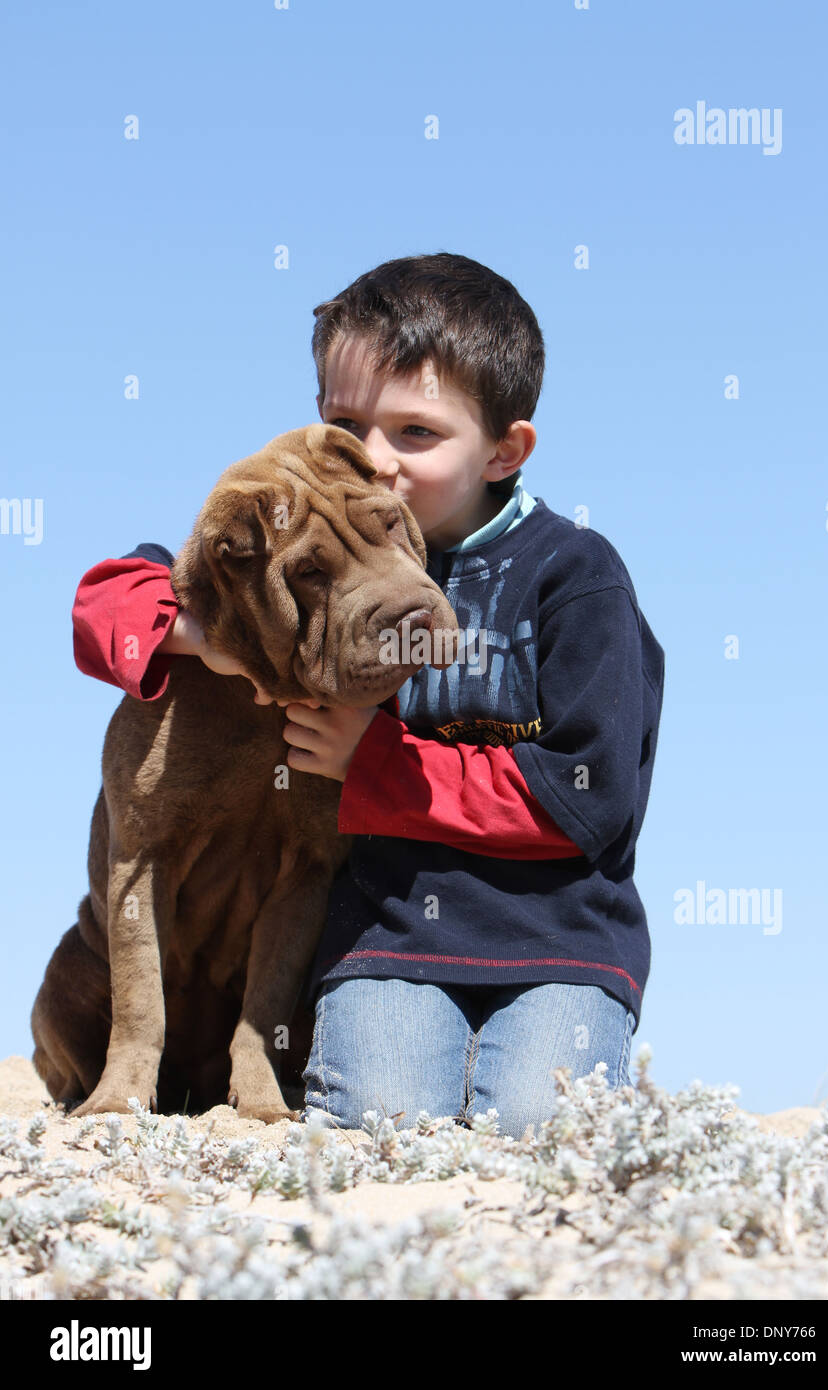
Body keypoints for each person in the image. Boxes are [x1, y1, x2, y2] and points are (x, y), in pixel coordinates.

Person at [72, 252, 665, 1140]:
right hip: (389, 941)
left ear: (505, 448)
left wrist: (372, 762)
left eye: (416, 433)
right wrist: (196, 633)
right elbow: (106, 601)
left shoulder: (573, 576)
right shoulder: (327, 547)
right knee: (375, 1119)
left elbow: (594, 798)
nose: (376, 461)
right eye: (348, 423)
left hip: (561, 945)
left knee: (539, 1123)